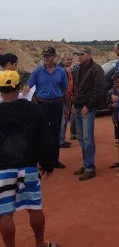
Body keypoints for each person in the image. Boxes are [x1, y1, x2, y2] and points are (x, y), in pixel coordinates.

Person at [0, 70, 60, 247]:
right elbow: (44, 137)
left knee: (4, 212)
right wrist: (48, 163)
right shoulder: (34, 109)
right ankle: (40, 244)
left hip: (3, 168)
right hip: (28, 167)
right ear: (18, 87)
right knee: (34, 206)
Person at [23, 47, 68, 169]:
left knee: (55, 133)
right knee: (41, 132)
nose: (46, 58)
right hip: (42, 105)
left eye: (48, 56)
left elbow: (65, 90)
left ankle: (54, 160)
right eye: (44, 56)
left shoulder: (61, 72)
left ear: (54, 57)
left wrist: (67, 106)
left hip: (57, 104)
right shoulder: (37, 72)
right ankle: (42, 160)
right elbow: (28, 86)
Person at [73, 48, 104, 181]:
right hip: (79, 106)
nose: (79, 57)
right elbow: (77, 87)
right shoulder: (78, 69)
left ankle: (90, 167)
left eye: (82, 54)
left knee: (87, 138)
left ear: (89, 55)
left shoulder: (97, 69)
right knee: (80, 137)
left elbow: (98, 90)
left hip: (87, 108)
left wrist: (88, 105)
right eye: (78, 54)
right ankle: (87, 164)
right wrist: (75, 103)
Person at [107, 73, 119, 170]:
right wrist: (112, 105)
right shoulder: (111, 92)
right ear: (114, 83)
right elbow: (107, 105)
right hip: (117, 118)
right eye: (117, 82)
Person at [58, 52, 75, 149]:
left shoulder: (65, 70)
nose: (70, 61)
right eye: (68, 59)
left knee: (64, 119)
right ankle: (60, 141)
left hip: (65, 97)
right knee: (63, 120)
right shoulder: (62, 70)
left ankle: (62, 139)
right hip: (63, 98)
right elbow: (65, 86)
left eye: (71, 60)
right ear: (62, 60)